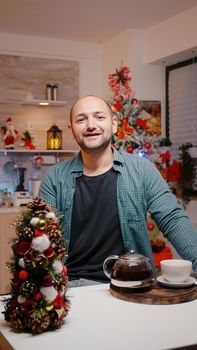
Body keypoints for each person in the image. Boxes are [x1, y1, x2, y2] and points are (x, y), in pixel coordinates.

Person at [39, 95, 197, 287]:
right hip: (71, 288)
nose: (90, 125)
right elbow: (41, 239)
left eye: (99, 117)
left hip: (132, 285)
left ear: (114, 124)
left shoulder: (142, 170)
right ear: (72, 130)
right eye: (81, 119)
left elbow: (172, 219)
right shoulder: (55, 178)